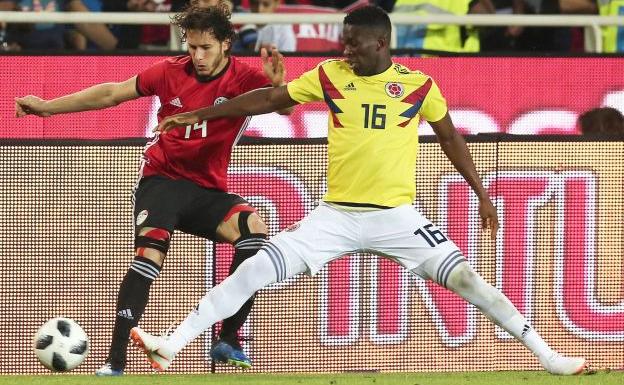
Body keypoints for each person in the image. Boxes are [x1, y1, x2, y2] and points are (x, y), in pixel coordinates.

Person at [129, 5, 589, 376]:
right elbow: (272, 98)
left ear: (381, 43)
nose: (346, 50)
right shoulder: (331, 76)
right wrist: (201, 114)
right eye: (343, 42)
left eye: (355, 43)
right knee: (252, 271)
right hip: (335, 217)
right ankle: (171, 344)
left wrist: (482, 195)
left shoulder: (418, 85)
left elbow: (450, 137)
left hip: (398, 218)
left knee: (470, 282)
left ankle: (549, 356)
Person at [14, 4, 292, 376]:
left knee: (254, 233)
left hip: (207, 191)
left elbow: (285, 109)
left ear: (227, 43)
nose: (197, 56)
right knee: (149, 257)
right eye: (192, 47)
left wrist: (277, 85)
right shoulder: (169, 72)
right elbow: (112, 93)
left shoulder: (244, 78)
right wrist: (48, 107)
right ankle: (115, 363)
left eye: (206, 47)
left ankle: (228, 338)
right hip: (161, 181)